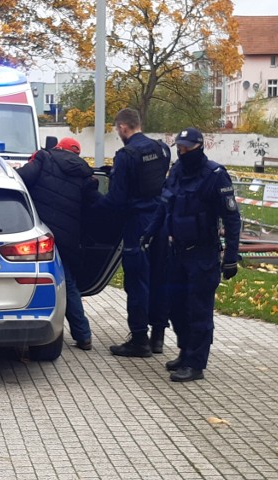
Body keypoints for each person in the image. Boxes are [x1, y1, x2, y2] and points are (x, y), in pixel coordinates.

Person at [141, 127, 241, 382]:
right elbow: (164, 207)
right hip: (177, 252)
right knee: (176, 306)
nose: (182, 152)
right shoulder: (176, 171)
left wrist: (231, 256)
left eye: (187, 148)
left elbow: (232, 218)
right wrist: (149, 233)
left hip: (203, 253)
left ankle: (196, 364)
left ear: (199, 148)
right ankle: (185, 352)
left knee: (198, 310)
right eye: (180, 148)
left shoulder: (215, 176)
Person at [95, 108, 171, 358]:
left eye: (118, 130)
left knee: (136, 282)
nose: (119, 134)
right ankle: (157, 336)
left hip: (137, 225)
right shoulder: (162, 149)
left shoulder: (125, 155)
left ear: (123, 128)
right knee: (160, 278)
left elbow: (116, 200)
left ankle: (139, 339)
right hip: (161, 222)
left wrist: (94, 203)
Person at [16, 137, 99, 350]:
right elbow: (95, 207)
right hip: (69, 239)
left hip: (39, 235)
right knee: (67, 284)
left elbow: (21, 179)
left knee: (33, 279)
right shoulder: (84, 174)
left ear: (58, 147)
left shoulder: (44, 158)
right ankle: (84, 335)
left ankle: (31, 324)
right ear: (76, 154)